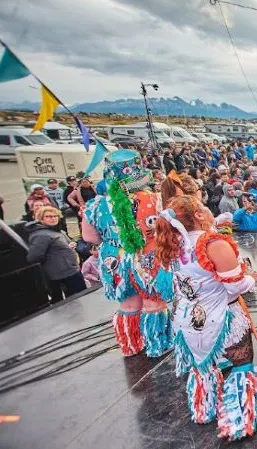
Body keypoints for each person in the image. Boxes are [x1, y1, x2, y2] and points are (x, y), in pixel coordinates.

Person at [154, 195, 257, 441]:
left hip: (187, 320)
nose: (207, 208)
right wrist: (252, 278)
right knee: (240, 365)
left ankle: (203, 408)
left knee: (202, 366)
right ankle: (240, 420)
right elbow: (234, 286)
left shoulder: (171, 244)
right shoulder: (213, 244)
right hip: (222, 318)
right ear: (198, 215)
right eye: (203, 206)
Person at [82, 150, 173, 358]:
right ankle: (157, 345)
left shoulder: (96, 205)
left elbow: (90, 238)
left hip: (114, 256)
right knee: (153, 301)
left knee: (128, 303)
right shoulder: (154, 199)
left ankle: (130, 345)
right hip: (146, 254)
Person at [26, 206, 86, 302]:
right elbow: (33, 257)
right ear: (41, 219)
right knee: (78, 300)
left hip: (71, 270)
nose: (53, 218)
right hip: (62, 275)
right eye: (49, 216)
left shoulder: (57, 231)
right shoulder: (42, 235)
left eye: (55, 216)